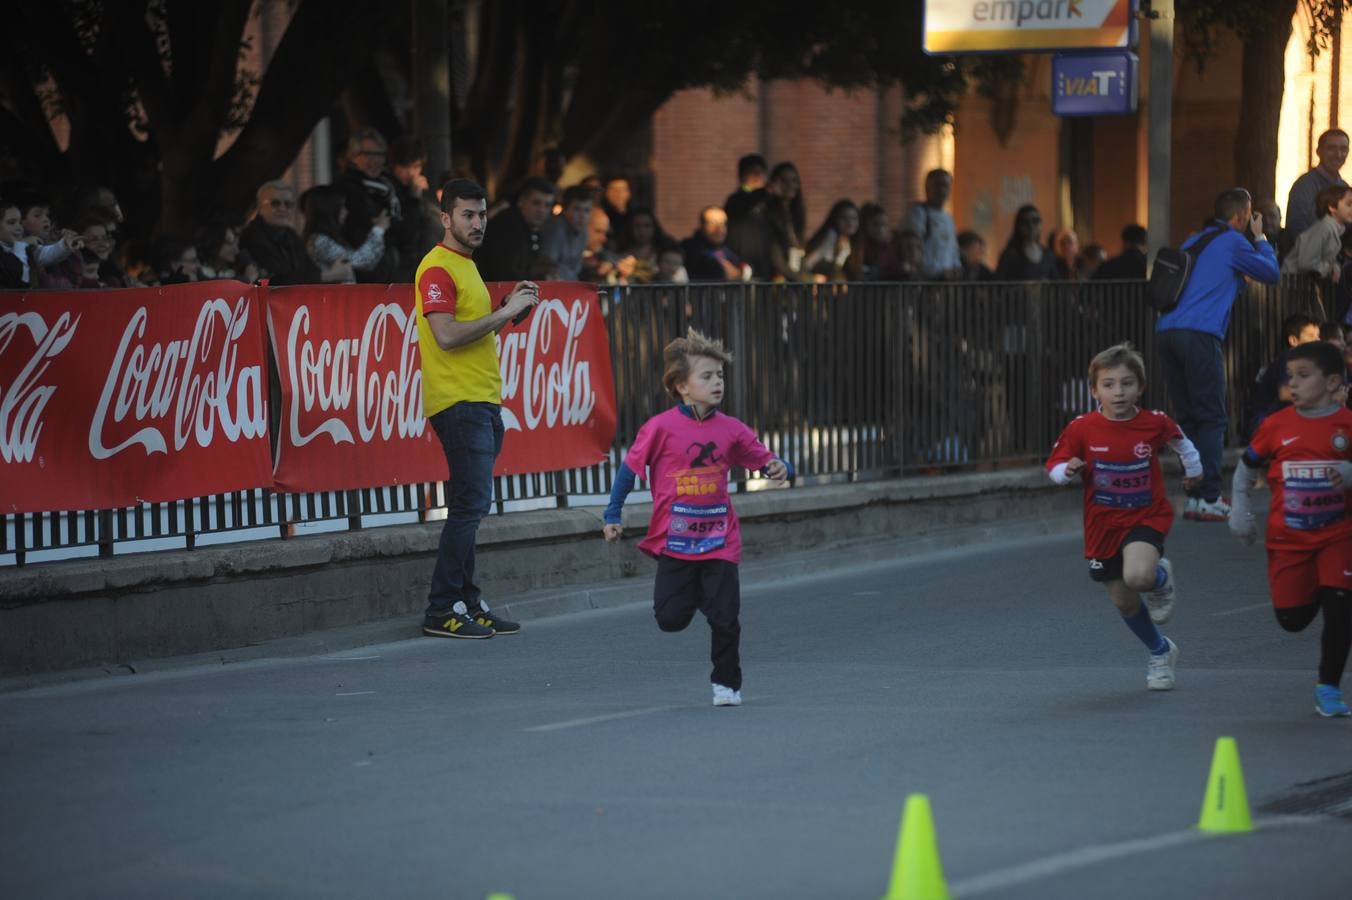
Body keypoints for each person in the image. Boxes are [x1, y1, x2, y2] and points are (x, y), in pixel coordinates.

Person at [601, 328, 793, 706]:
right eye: (706, 376)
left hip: (719, 540)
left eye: (720, 375)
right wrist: (612, 513)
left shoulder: (732, 429)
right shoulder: (659, 428)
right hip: (675, 542)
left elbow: (764, 458)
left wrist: (779, 466)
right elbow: (628, 471)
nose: (717, 382)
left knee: (726, 618)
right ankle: (701, 598)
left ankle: (727, 684)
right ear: (682, 386)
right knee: (670, 619)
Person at [415, 178, 539, 639]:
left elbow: (475, 333)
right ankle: (442, 608)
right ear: (445, 219)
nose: (478, 222)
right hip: (459, 401)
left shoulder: (467, 267)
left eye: (482, 214)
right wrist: (504, 314)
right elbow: (447, 336)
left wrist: (510, 310)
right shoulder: (437, 268)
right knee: (469, 507)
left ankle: (466, 602)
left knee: (472, 507)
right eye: (468, 215)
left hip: (483, 399)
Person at [1046, 343, 1202, 690]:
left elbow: (1182, 443)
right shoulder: (1082, 427)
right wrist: (1066, 471)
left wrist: (1194, 470)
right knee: (1124, 600)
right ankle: (1161, 651)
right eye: (1109, 384)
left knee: (1138, 576)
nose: (1118, 392)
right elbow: (1054, 466)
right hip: (1103, 525)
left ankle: (1159, 578)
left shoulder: (1154, 422)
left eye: (1127, 383)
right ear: (1094, 390)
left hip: (1146, 515)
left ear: (1140, 387)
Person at [1229, 341, 1352, 716]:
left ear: (1333, 382)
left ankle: (1328, 688)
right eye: (1289, 377)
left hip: (1339, 535)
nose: (1292, 385)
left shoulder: (1347, 425)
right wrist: (1240, 512)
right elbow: (1247, 466)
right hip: (1289, 539)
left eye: (1303, 376)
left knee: (1342, 608)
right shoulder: (1276, 425)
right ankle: (1319, 587)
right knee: (1292, 620)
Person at [1156, 187, 1281, 521]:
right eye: (1250, 215)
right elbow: (1272, 273)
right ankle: (1209, 496)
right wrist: (1261, 239)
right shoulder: (1234, 241)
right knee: (1212, 416)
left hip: (1166, 332)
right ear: (1241, 217)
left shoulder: (1193, 241)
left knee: (1189, 416)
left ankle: (1195, 495)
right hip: (1200, 334)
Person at [332, 128, 401, 282]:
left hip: (391, 271)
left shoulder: (389, 186)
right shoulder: (344, 188)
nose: (374, 160)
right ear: (353, 157)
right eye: (368, 154)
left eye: (379, 154)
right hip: (361, 274)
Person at [1247, 313, 1321, 440]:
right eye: (1311, 336)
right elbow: (1285, 393)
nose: (1317, 340)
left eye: (1318, 335)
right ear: (1293, 340)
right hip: (1266, 425)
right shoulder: (1290, 357)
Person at [240, 180, 325, 285]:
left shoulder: (290, 234)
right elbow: (279, 278)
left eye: (288, 204)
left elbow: (310, 269)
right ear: (260, 208)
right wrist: (327, 275)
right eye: (275, 203)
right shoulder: (251, 236)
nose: (283, 208)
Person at [476, 177, 556, 282]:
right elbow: (507, 276)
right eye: (536, 203)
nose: (542, 210)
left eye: (547, 205)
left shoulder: (531, 228)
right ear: (521, 201)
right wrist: (543, 278)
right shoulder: (506, 227)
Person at [302, 184, 386, 283]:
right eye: (341, 207)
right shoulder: (318, 241)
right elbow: (361, 260)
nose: (346, 212)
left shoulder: (327, 238)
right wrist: (378, 230)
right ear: (329, 210)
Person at [1285, 129, 1349, 247]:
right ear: (1318, 152)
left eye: (1343, 149)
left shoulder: (1345, 189)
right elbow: (1297, 228)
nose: (1338, 154)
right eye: (1332, 148)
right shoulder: (1304, 186)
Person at [1282, 184, 1352, 282]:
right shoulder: (1323, 228)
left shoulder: (1334, 230)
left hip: (1300, 285)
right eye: (1349, 204)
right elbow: (1306, 262)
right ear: (1332, 207)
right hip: (1291, 284)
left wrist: (1334, 266)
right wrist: (1330, 269)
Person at [903, 169, 961, 279]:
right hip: (925, 280)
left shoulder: (949, 219)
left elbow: (953, 252)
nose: (942, 190)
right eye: (937, 185)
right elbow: (911, 248)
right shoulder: (918, 214)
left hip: (946, 282)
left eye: (946, 185)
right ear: (927, 187)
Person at [539, 185, 592, 280]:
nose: (582, 216)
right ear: (565, 210)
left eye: (586, 210)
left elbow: (575, 270)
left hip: (571, 286)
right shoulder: (555, 228)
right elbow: (547, 268)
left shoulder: (583, 231)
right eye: (577, 209)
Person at [681, 206, 747, 282]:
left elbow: (743, 266)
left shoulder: (729, 247)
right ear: (702, 225)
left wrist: (740, 273)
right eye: (712, 223)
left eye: (723, 224)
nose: (719, 229)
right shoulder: (688, 249)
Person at [994, 205, 1059, 280]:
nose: (1031, 226)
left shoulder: (1048, 255)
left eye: (1035, 221)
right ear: (1019, 226)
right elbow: (999, 286)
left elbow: (1057, 286)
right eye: (1026, 222)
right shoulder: (1009, 256)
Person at [802, 199, 860, 282]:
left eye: (854, 218)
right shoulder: (830, 236)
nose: (850, 223)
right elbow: (808, 263)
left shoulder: (852, 242)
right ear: (835, 219)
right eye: (844, 218)